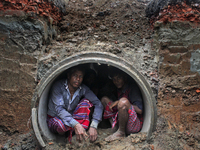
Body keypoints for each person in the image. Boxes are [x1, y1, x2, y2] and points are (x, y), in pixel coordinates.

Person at [47, 65, 103, 143]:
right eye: (75, 76)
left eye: (80, 76)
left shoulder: (83, 89)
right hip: (56, 117)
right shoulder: (58, 86)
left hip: (71, 118)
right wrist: (76, 124)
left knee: (86, 102)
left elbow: (98, 103)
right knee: (62, 125)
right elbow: (59, 109)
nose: (78, 79)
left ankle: (77, 134)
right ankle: (62, 137)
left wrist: (94, 126)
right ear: (69, 76)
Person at [101, 68, 143, 142]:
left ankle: (121, 133)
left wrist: (119, 102)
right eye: (114, 79)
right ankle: (114, 128)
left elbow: (140, 110)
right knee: (104, 100)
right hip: (122, 122)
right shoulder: (119, 89)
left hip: (133, 125)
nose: (116, 81)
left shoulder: (132, 88)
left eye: (119, 78)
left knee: (123, 102)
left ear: (125, 78)